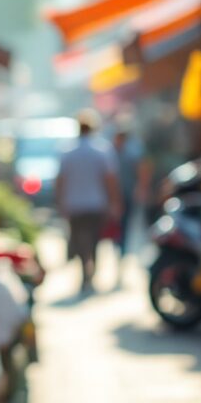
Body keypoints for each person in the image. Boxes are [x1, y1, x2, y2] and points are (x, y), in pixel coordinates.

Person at [55, 109, 121, 295]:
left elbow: (60, 180)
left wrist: (59, 202)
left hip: (74, 204)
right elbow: (110, 180)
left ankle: (86, 274)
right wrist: (115, 202)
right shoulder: (102, 150)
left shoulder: (67, 151)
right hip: (96, 204)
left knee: (80, 240)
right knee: (93, 242)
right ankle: (90, 274)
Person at [111, 121, 151, 259]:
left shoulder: (132, 152)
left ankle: (122, 248)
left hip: (127, 193)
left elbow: (142, 171)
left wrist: (140, 189)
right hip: (114, 194)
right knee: (115, 223)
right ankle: (117, 245)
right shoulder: (111, 152)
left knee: (125, 222)